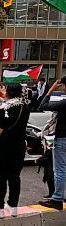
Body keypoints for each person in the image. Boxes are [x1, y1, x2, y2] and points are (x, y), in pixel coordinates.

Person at [0, 83, 30, 218]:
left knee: (0, 177)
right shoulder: (24, 107)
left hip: (4, 148)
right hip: (19, 147)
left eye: (4, 89)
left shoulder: (3, 109)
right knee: (15, 177)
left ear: (7, 93)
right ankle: (13, 206)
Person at [38, 77, 66, 210]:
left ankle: (57, 198)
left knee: (59, 169)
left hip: (62, 138)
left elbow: (42, 106)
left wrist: (51, 89)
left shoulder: (64, 103)